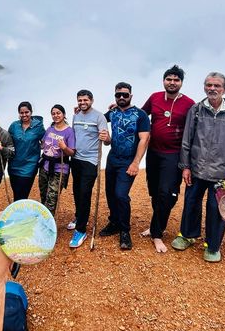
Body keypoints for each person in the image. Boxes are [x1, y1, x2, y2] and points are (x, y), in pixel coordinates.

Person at [172, 72, 225, 262]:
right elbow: (187, 141)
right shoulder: (196, 110)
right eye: (208, 85)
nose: (212, 89)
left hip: (222, 175)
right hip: (196, 169)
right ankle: (188, 235)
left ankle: (212, 246)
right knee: (191, 203)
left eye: (216, 85)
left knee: (216, 209)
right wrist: (185, 166)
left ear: (224, 89)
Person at [141, 65, 195, 253]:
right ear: (164, 80)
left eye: (176, 80)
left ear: (181, 82)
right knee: (155, 192)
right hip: (153, 152)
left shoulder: (189, 104)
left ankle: (157, 234)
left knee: (167, 193)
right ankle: (157, 224)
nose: (172, 82)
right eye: (169, 79)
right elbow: (140, 115)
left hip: (174, 155)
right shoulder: (155, 97)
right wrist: (118, 109)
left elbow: (196, 129)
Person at [99, 83, 150, 250]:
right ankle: (114, 222)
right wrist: (82, 110)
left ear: (131, 96)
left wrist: (136, 163)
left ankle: (124, 230)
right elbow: (97, 119)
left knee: (121, 195)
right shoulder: (112, 112)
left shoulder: (140, 115)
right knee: (110, 193)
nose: (121, 97)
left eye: (125, 95)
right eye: (118, 95)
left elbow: (144, 139)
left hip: (128, 161)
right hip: (113, 158)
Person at [69, 90, 110, 248]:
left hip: (91, 161)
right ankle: (79, 217)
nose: (82, 102)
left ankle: (81, 230)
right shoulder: (76, 116)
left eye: (85, 100)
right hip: (76, 158)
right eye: (80, 100)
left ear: (92, 100)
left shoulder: (99, 117)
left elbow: (107, 141)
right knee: (77, 191)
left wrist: (106, 138)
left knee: (85, 193)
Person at [38, 105, 76, 215]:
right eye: (53, 114)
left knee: (51, 199)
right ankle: (44, 219)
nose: (56, 115)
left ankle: (47, 225)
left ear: (64, 114)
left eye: (58, 113)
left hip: (60, 168)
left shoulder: (69, 131)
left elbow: (72, 152)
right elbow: (43, 144)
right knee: (44, 195)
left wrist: (64, 147)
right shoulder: (50, 129)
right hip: (45, 166)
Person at [8, 102, 45, 202]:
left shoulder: (38, 126)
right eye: (21, 113)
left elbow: (45, 141)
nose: (24, 115)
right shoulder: (14, 126)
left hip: (30, 165)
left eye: (26, 112)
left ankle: (19, 216)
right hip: (13, 165)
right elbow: (8, 142)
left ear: (31, 112)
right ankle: (18, 215)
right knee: (16, 194)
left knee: (22, 195)